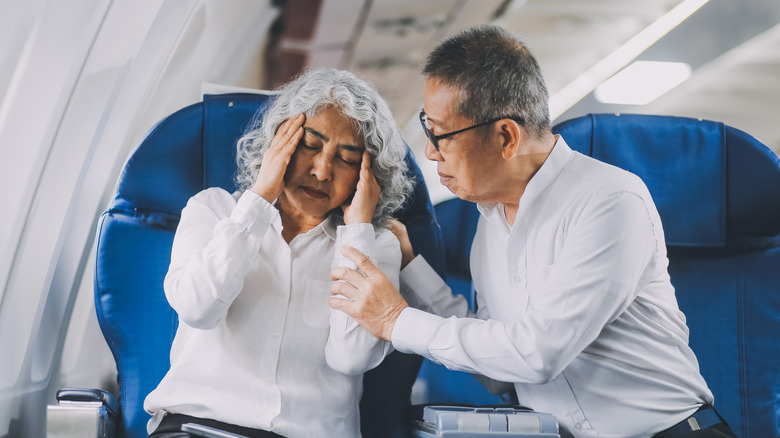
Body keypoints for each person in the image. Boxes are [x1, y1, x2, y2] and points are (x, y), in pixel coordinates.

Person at [329, 25, 737, 438]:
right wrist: (412, 266)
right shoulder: (488, 227)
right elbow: (500, 377)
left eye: (441, 134)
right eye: (426, 128)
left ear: (506, 136)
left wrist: (395, 320)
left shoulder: (610, 201)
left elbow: (538, 354)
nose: (431, 151)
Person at [143, 67, 413, 437]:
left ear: (368, 176)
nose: (321, 171)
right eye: (310, 145)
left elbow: (352, 357)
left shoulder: (375, 245)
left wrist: (357, 232)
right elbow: (198, 309)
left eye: (347, 159)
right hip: (197, 428)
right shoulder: (213, 210)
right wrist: (259, 199)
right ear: (279, 143)